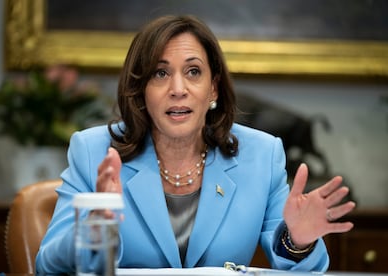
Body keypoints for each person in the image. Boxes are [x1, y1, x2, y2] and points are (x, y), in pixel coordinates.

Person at [35, 15, 355, 274]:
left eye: (193, 72)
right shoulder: (95, 151)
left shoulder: (260, 155)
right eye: (160, 73)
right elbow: (46, 266)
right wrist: (93, 223)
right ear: (141, 90)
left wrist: (297, 241)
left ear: (213, 89)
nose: (178, 88)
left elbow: (303, 270)